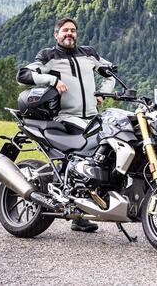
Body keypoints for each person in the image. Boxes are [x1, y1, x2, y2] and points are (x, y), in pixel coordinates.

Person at [16, 17, 116, 233]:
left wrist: (103, 91)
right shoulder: (48, 56)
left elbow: (111, 71)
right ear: (56, 34)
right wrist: (51, 81)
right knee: (91, 147)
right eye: (65, 30)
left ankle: (89, 205)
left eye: (72, 30)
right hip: (66, 117)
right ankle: (76, 210)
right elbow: (23, 74)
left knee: (109, 147)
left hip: (92, 116)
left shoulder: (89, 53)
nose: (69, 33)